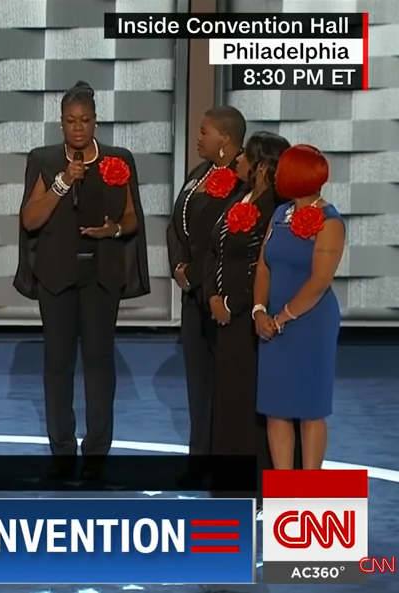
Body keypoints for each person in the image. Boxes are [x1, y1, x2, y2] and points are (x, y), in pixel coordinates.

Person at [13, 81, 150, 476]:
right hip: (57, 276)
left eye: (85, 120)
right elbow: (30, 219)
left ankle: (96, 451)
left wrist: (115, 231)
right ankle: (61, 448)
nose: (78, 128)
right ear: (60, 124)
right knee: (57, 363)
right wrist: (62, 181)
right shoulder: (43, 160)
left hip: (101, 276)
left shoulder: (117, 161)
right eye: (71, 121)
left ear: (96, 121)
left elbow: (131, 217)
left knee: (98, 362)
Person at [203, 131, 290, 494]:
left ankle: (252, 485)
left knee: (247, 402)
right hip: (222, 315)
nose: (237, 160)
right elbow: (214, 249)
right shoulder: (238, 198)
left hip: (249, 318)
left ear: (263, 165)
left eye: (245, 156)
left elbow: (262, 266)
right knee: (227, 398)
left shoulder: (275, 209)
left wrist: (235, 303)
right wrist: (211, 296)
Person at [165, 106, 247, 477]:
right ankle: (198, 458)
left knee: (223, 382)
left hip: (217, 294)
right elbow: (177, 226)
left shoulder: (241, 183)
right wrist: (178, 267)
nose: (198, 137)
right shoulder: (200, 173)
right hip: (191, 294)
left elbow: (224, 239)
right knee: (198, 382)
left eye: (204, 131)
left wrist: (196, 273)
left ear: (225, 139)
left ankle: (224, 460)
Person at [254, 144, 344, 470]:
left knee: (309, 408)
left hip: (309, 324)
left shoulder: (330, 222)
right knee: (276, 408)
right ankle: (285, 494)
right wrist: (259, 311)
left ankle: (310, 492)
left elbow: (319, 282)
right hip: (273, 324)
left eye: (282, 170)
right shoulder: (280, 215)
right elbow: (264, 266)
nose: (276, 175)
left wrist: (282, 317)